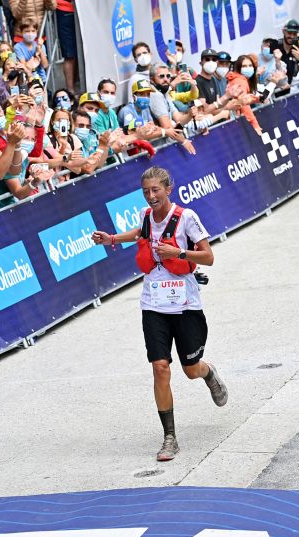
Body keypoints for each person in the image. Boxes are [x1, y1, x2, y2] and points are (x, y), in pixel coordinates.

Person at [90, 166, 227, 462]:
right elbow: (140, 233)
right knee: (160, 367)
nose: (151, 196)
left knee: (190, 369)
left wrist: (178, 253)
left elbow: (209, 257)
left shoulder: (186, 218)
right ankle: (169, 438)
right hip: (153, 304)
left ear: (168, 189)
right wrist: (111, 239)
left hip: (186, 304)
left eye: (156, 190)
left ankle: (208, 372)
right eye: (146, 191)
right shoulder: (145, 216)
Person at [50, 0, 95, 94]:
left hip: (80, 9)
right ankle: (70, 90)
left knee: (81, 49)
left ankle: (82, 83)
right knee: (69, 53)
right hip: (65, 10)